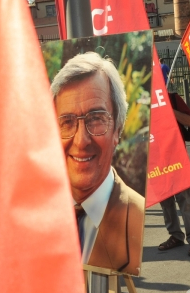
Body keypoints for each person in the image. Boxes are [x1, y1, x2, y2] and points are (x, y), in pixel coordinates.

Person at [51, 52, 145, 275]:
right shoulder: (33, 218)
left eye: (96, 118)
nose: (81, 141)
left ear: (118, 130)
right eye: (67, 122)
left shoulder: (136, 217)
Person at [158, 91, 190, 256]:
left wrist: (168, 109)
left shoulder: (171, 98)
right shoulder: (140, 102)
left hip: (176, 158)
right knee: (165, 201)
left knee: (185, 200)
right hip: (156, 161)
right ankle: (175, 236)